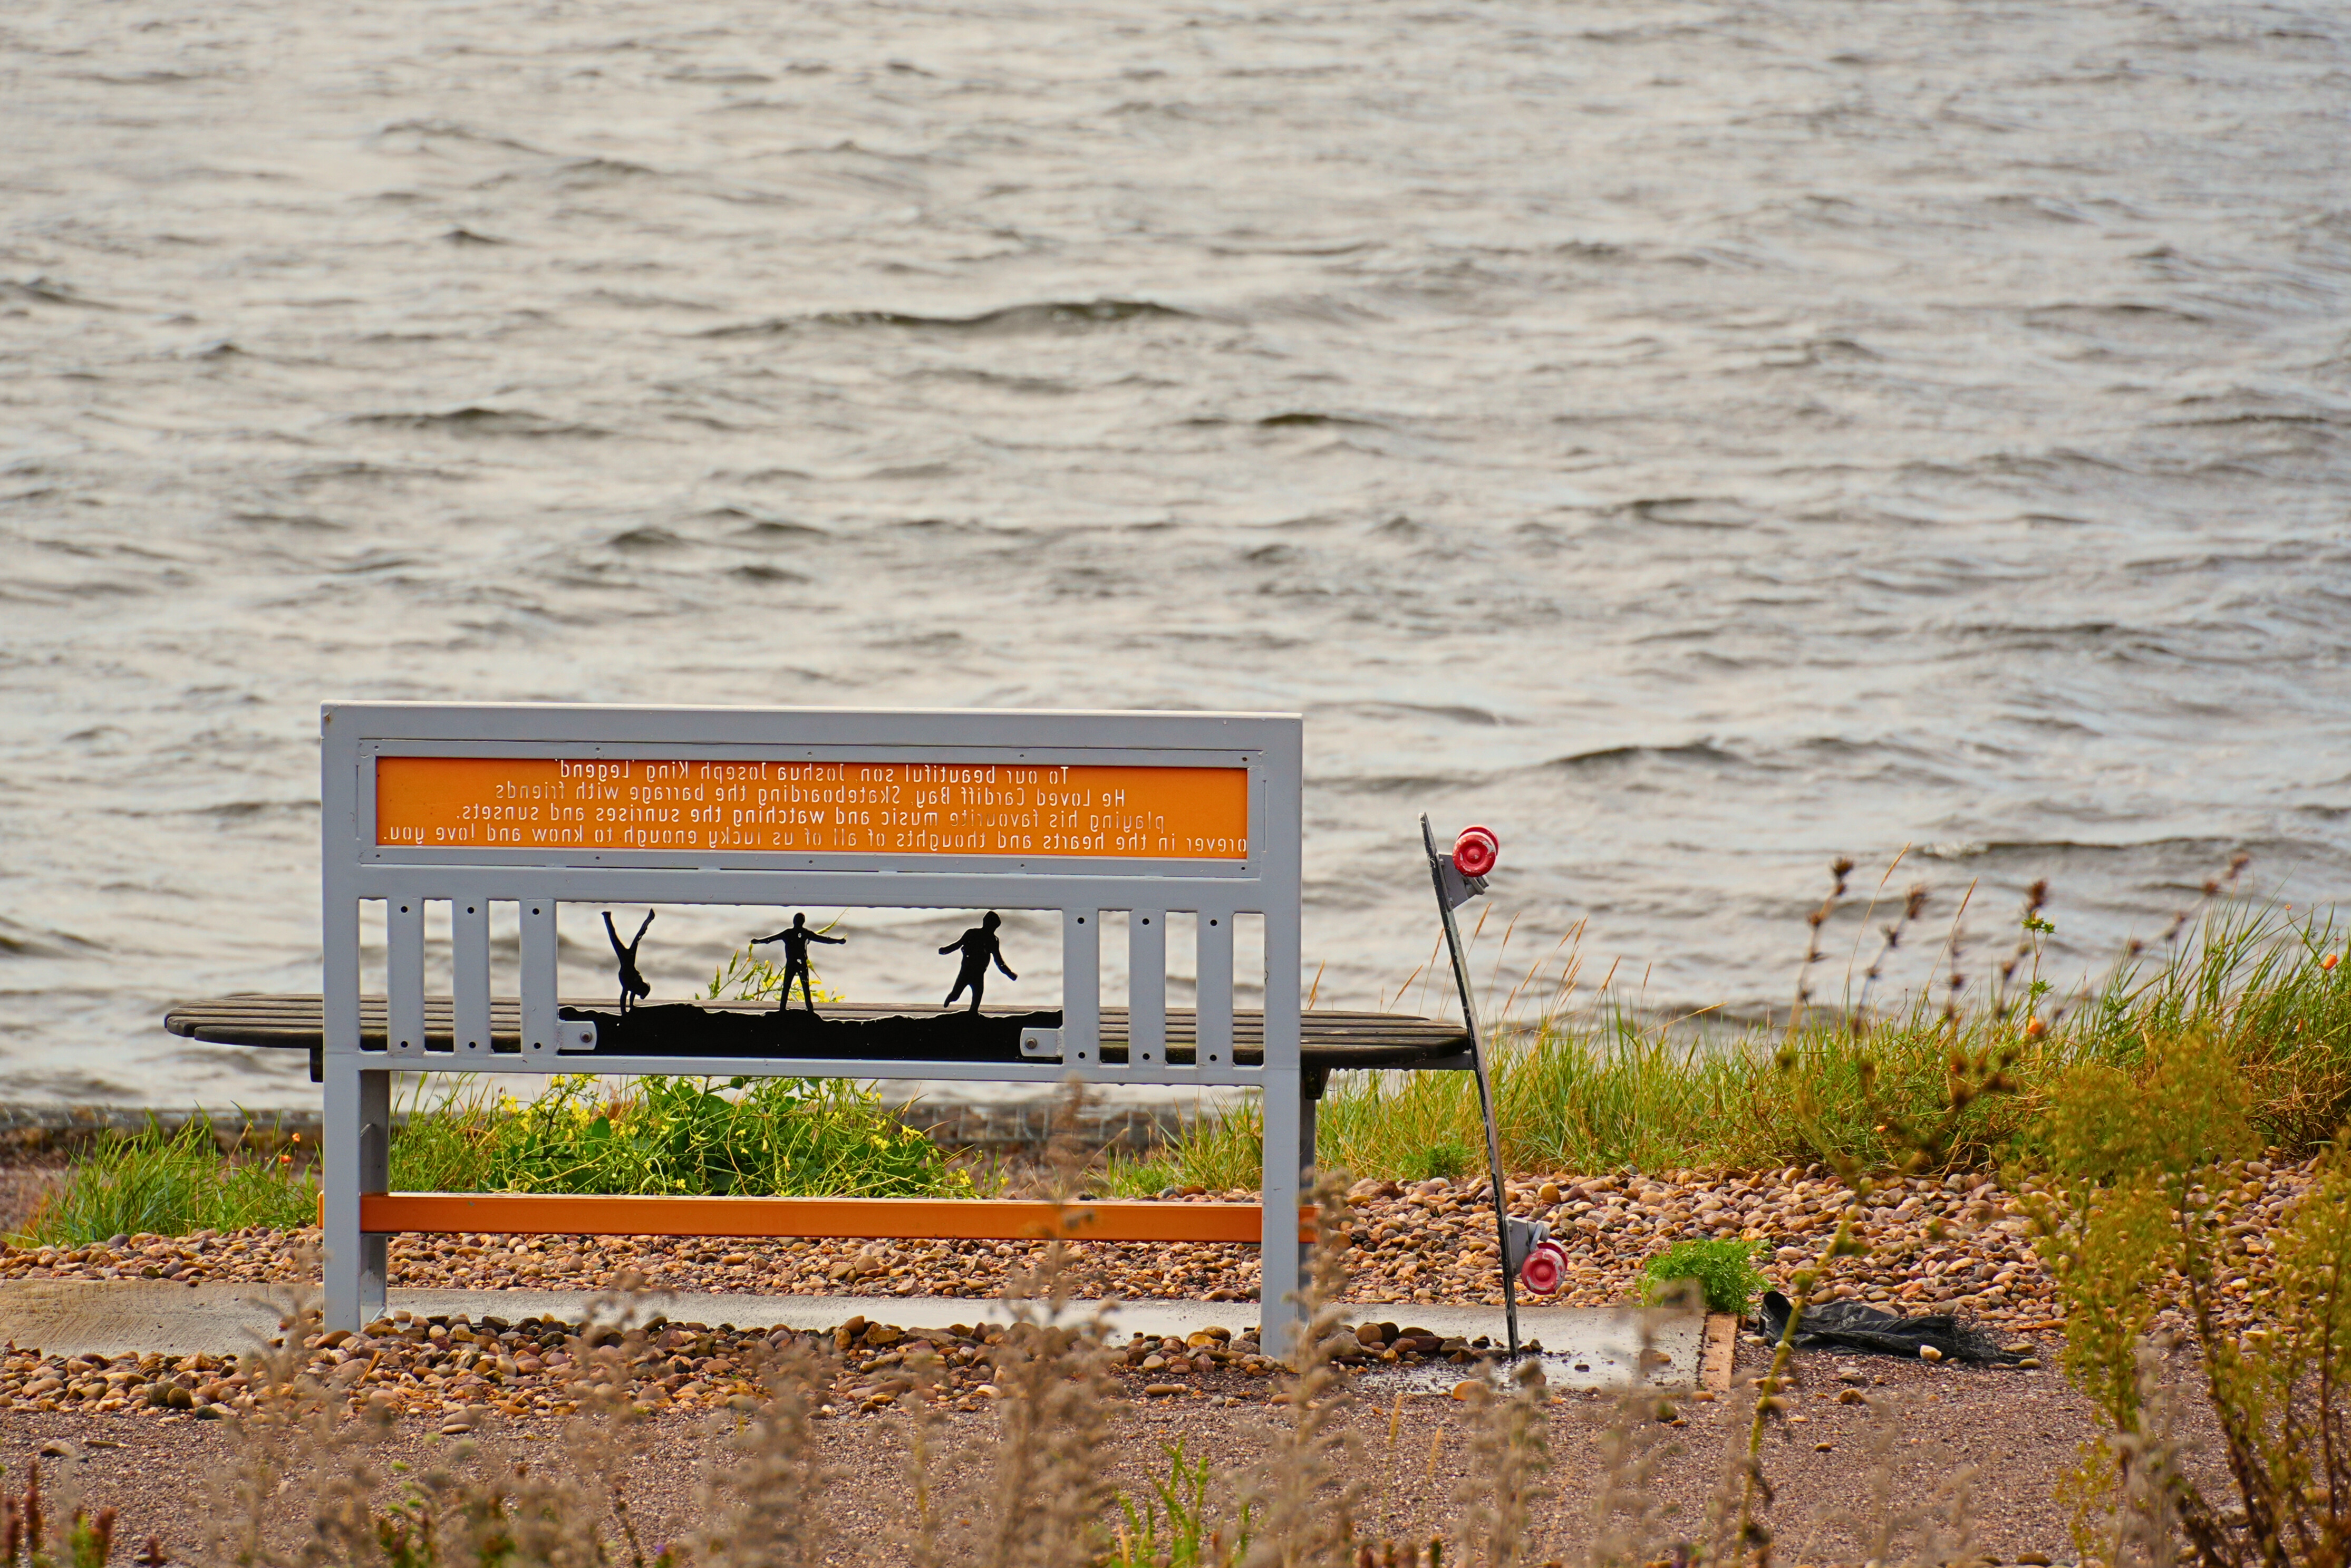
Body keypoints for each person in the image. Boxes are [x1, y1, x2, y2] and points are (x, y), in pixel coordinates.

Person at [752, 912, 845, 1015]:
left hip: (794, 963)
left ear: (794, 921)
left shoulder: (789, 933)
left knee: (789, 986)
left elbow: (770, 939)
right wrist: (838, 941)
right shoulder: (805, 933)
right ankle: (807, 1010)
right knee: (803, 987)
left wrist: (758, 941)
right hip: (800, 963)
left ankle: (786, 1009)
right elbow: (824, 940)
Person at [940, 911, 1016, 1013]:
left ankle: (973, 1015)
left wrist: (1009, 974)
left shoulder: (993, 940)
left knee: (976, 999)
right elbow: (957, 945)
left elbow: (999, 961)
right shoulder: (972, 933)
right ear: (985, 922)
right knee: (955, 995)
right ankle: (949, 1001)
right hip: (966, 971)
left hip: (979, 974)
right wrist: (944, 950)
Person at [603, 909, 653, 1014]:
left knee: (615, 938)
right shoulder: (636, 985)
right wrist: (625, 1012)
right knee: (637, 937)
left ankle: (607, 917)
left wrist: (628, 1009)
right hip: (629, 960)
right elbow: (626, 996)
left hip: (626, 961)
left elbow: (627, 995)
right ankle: (649, 919)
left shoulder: (631, 986)